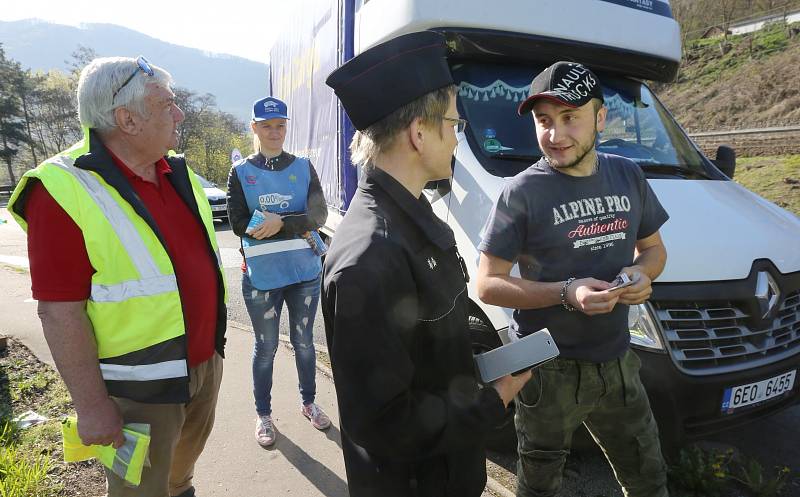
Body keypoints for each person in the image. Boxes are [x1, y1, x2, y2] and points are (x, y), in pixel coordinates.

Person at [322, 31, 532, 497]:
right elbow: (385, 423)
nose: (457, 138)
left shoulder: (410, 219)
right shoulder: (370, 258)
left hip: (445, 472)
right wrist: (495, 399)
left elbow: (432, 352)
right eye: (454, 124)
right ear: (420, 133)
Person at [8, 56, 227, 497]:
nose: (179, 114)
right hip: (138, 393)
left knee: (178, 480)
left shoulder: (175, 170)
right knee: (139, 492)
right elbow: (59, 311)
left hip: (202, 366)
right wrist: (91, 407)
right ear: (127, 119)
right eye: (167, 104)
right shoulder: (61, 188)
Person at [476, 61, 670, 497]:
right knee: (540, 485)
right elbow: (487, 283)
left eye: (569, 118)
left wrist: (641, 274)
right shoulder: (521, 193)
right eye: (544, 121)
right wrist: (567, 292)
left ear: (600, 118)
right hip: (546, 369)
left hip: (618, 360)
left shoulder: (628, 175)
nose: (555, 134)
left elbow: (654, 250)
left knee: (648, 476)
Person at [226, 96, 331, 448]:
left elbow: (319, 216)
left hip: (304, 272)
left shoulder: (303, 166)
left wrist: (279, 222)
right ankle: (264, 415)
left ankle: (309, 403)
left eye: (280, 125)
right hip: (262, 277)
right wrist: (285, 223)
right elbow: (238, 222)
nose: (275, 132)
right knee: (266, 347)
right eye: (267, 126)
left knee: (304, 343)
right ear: (254, 128)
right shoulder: (240, 173)